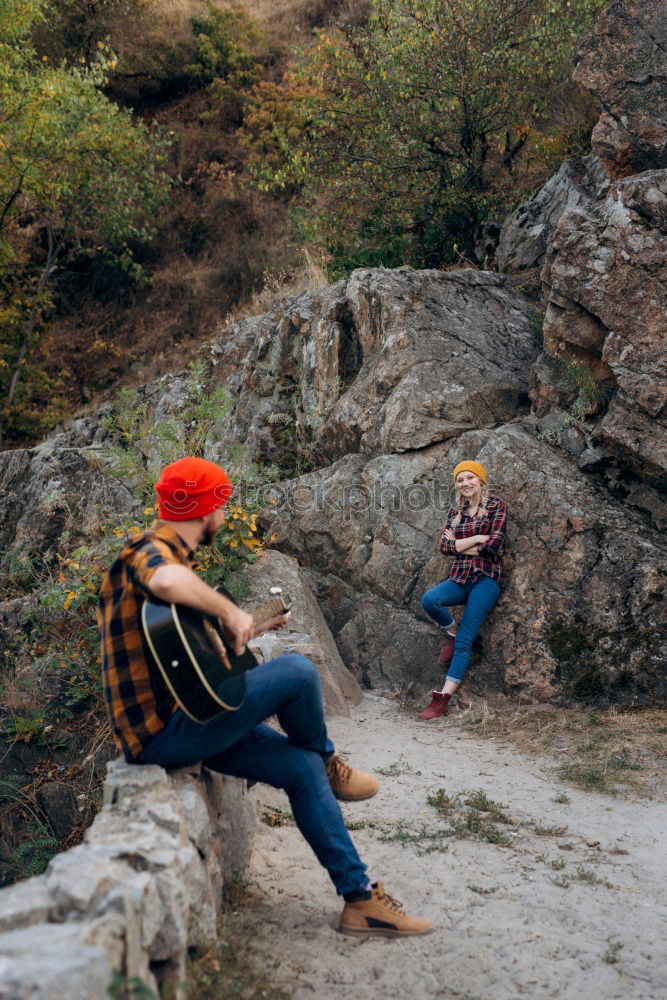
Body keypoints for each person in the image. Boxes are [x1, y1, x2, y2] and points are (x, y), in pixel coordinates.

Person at [98, 456, 431, 937]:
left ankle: (360, 902)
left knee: (300, 769)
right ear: (206, 509)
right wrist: (231, 612)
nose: (225, 516)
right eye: (223, 506)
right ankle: (330, 759)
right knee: (296, 671)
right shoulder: (148, 552)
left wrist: (242, 632)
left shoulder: (170, 561)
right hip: (162, 735)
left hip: (192, 715)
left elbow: (183, 663)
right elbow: (166, 579)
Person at [419, 460, 507, 721]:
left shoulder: (496, 506)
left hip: (487, 580)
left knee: (466, 641)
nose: (466, 483)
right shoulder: (454, 511)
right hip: (460, 577)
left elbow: (494, 547)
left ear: (481, 481)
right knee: (430, 600)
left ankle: (442, 699)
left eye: (470, 477)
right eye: (460, 479)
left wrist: (459, 543)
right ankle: (452, 632)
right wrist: (478, 538)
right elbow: (444, 548)